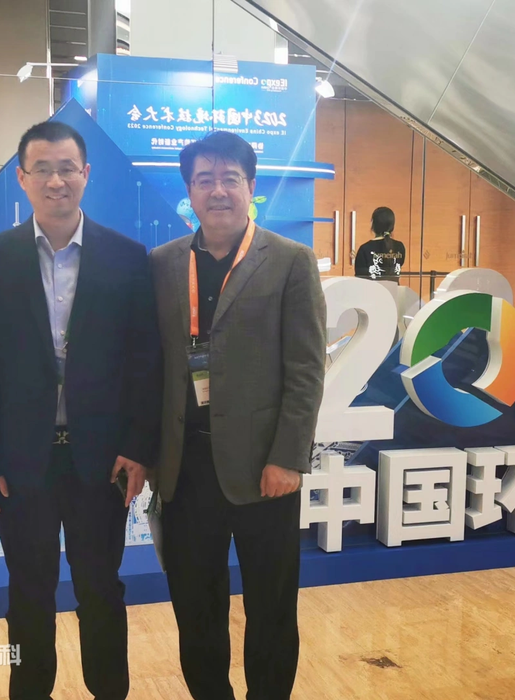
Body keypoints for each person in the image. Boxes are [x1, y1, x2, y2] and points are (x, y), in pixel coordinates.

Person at [0, 120, 161, 700]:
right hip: (21, 463)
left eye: (67, 168)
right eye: (41, 169)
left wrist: (138, 448)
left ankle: (109, 690)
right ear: (21, 178)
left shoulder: (126, 257)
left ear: (85, 174)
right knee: (28, 590)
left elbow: (145, 362)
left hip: (103, 461)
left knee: (102, 587)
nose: (55, 180)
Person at [149, 131, 327, 700]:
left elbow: (306, 369)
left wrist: (288, 458)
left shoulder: (290, 261)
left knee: (270, 606)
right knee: (194, 605)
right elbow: (152, 367)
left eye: (230, 179)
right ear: (189, 192)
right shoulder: (163, 264)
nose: (217, 191)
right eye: (204, 180)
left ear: (251, 187)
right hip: (185, 468)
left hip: (263, 469)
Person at [354, 206, 406, 280]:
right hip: (393, 287)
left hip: (372, 287)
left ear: (373, 224)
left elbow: (360, 278)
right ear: (392, 226)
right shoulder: (399, 247)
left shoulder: (365, 249)